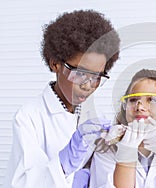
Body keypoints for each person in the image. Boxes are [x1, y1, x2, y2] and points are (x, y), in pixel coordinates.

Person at [4, 10, 120, 188]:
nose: (88, 85)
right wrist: (64, 165)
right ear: (55, 64)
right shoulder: (28, 118)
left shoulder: (96, 117)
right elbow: (23, 182)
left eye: (96, 77)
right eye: (80, 73)